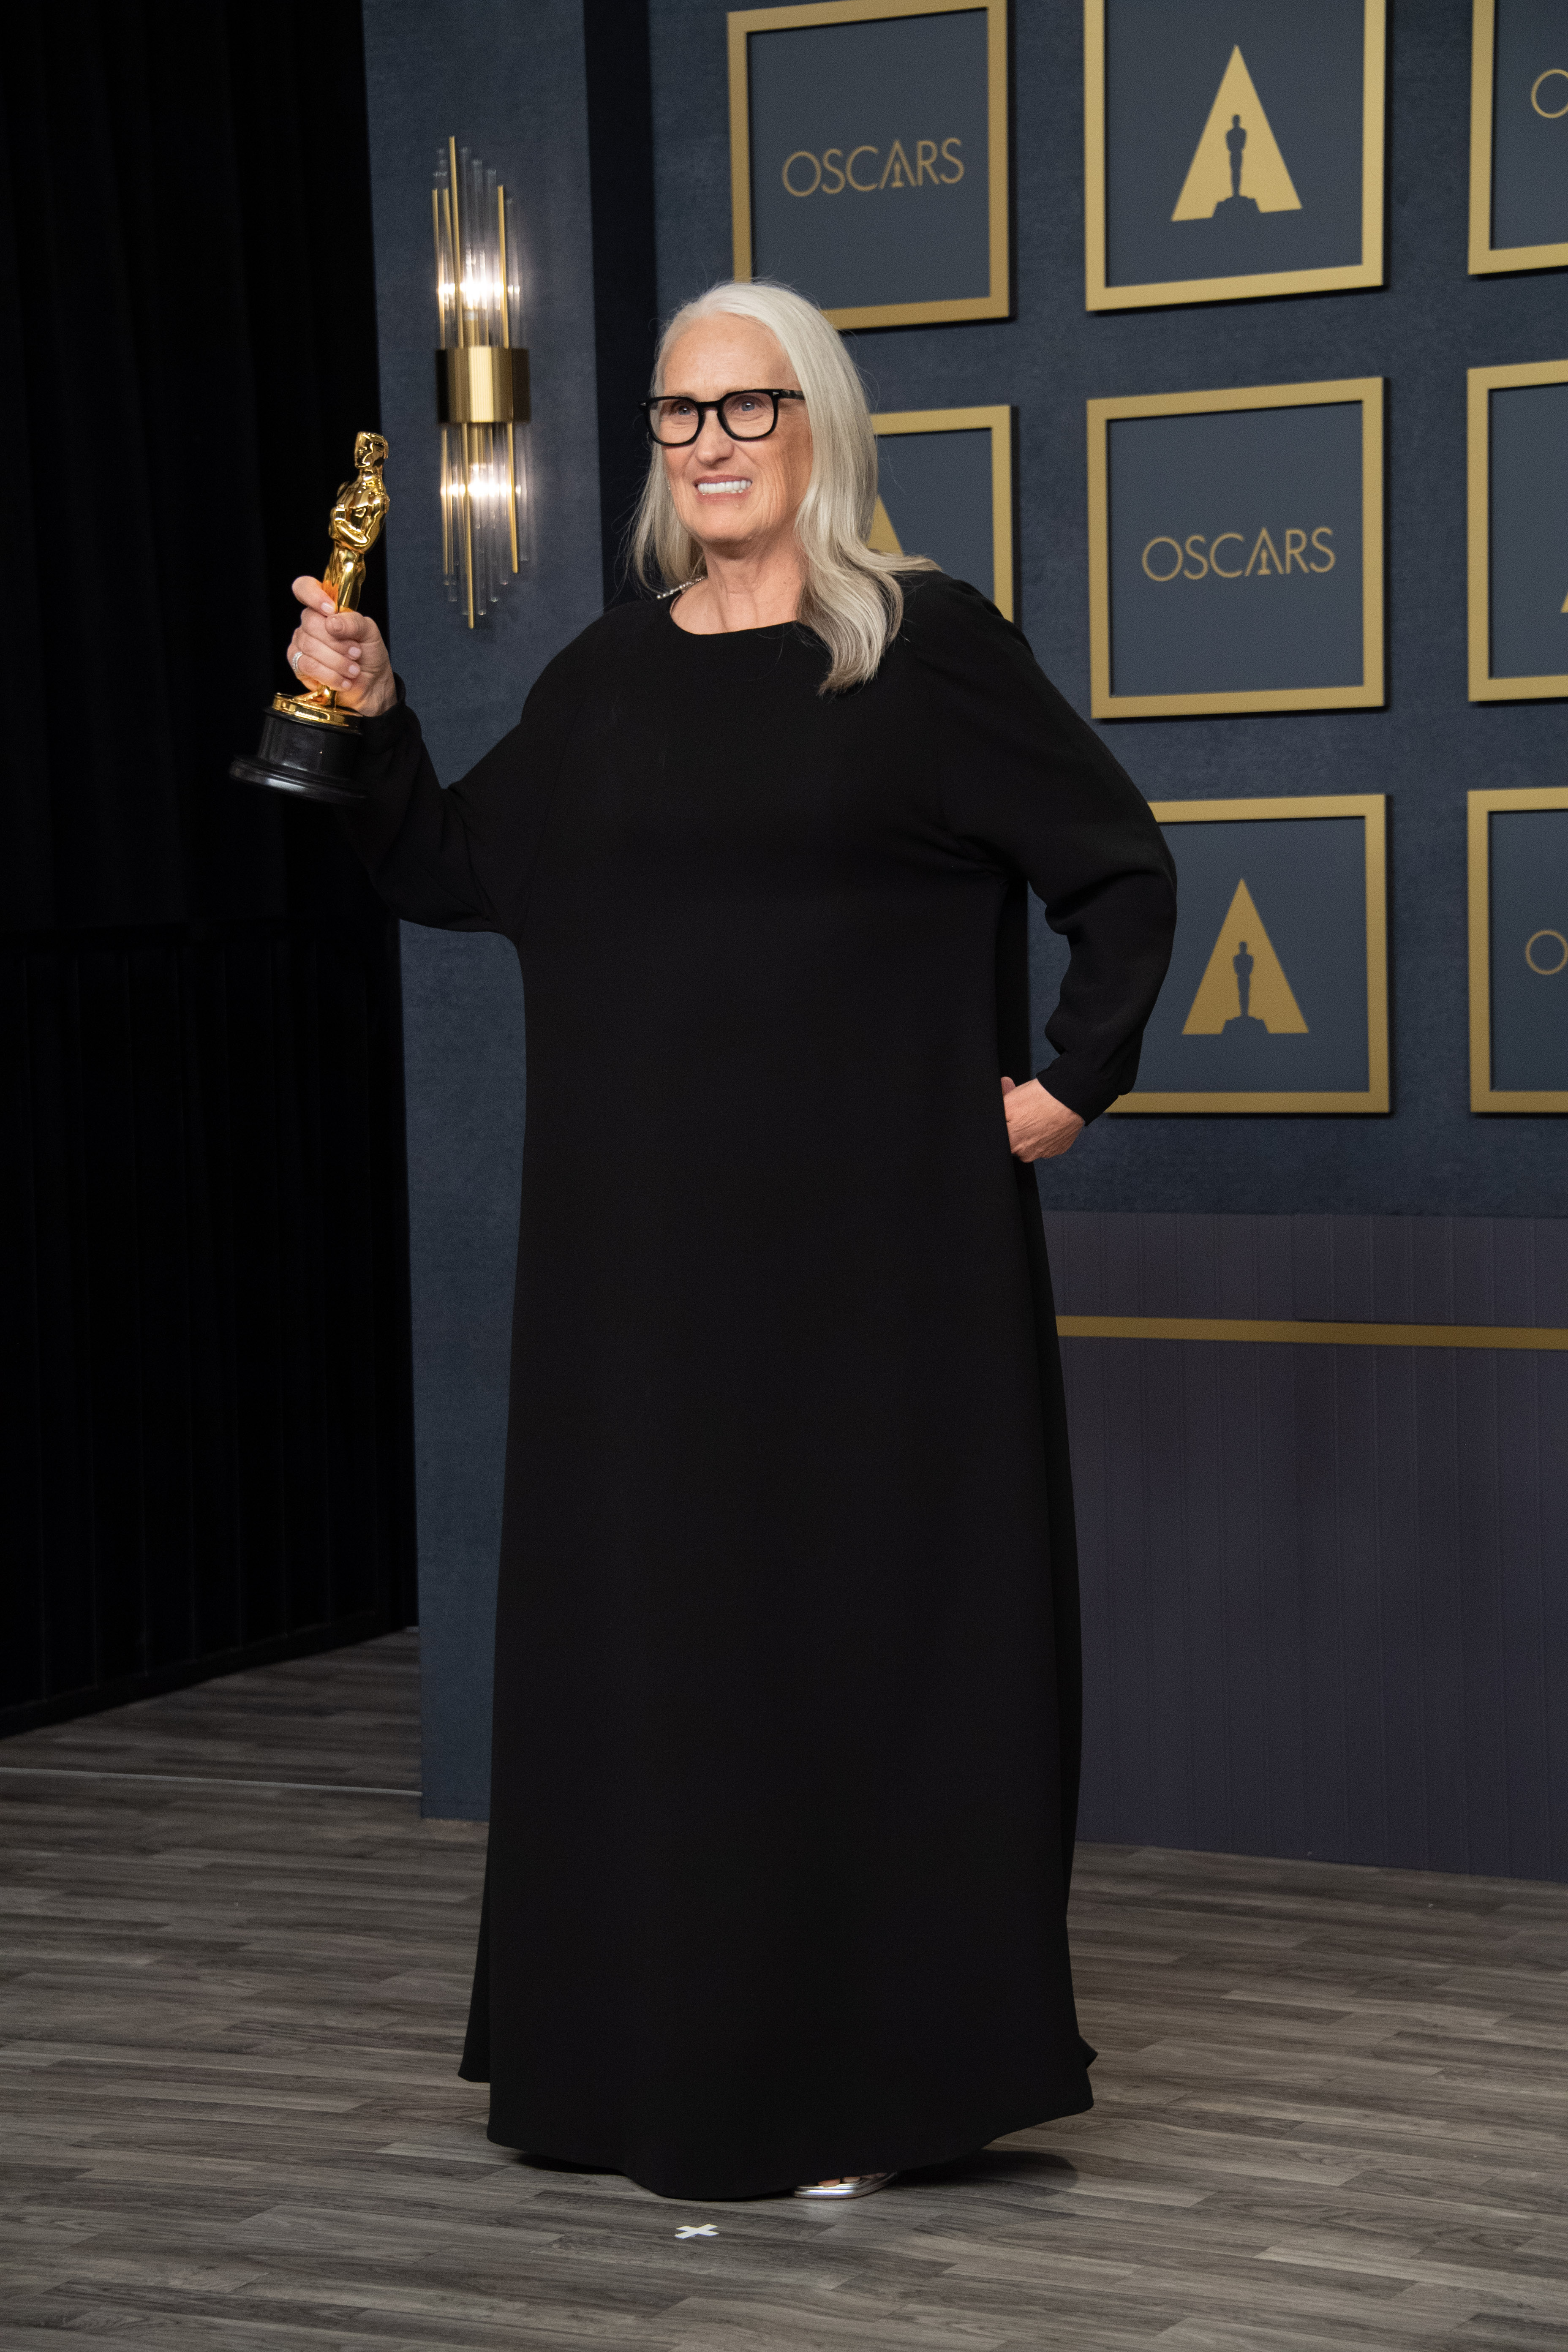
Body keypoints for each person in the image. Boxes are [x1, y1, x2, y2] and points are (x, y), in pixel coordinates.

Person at [284, 280, 1177, 2204]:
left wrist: (1064, 1086)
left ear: (817, 425)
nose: (708, 447)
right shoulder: (610, 675)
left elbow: (1119, 870)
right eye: (680, 417)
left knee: (852, 1653)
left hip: (878, 1286)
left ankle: (857, 2090)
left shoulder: (922, 649)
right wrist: (371, 716)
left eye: (746, 410)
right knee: (670, 1660)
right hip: (639, 1291)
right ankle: (651, 2071)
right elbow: (459, 867)